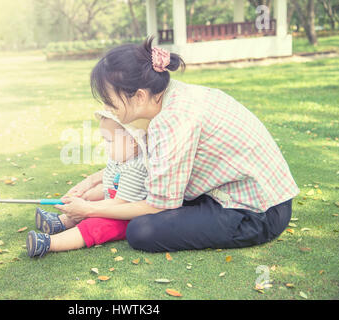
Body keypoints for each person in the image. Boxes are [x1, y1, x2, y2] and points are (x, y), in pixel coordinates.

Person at [54, 36, 300, 252]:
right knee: (138, 201)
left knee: (142, 231)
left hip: (256, 212)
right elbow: (145, 167)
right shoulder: (170, 97)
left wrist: (87, 209)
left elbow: (158, 205)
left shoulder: (171, 120)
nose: (107, 109)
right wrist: (90, 183)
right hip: (243, 194)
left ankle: (83, 223)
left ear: (139, 95)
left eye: (110, 101)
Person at [26, 110, 149, 258]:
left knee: (93, 226)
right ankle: (59, 222)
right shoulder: (120, 158)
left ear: (133, 141)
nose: (106, 145)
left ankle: (49, 243)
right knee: (90, 202)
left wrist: (86, 207)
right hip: (112, 204)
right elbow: (107, 187)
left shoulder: (136, 168)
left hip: (125, 217)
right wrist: (84, 196)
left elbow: (119, 203)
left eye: (110, 141)